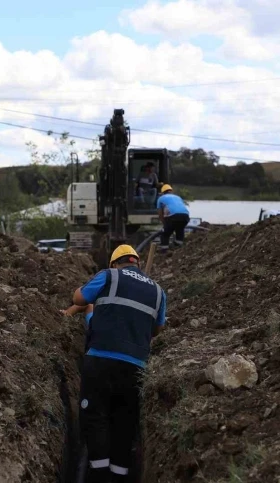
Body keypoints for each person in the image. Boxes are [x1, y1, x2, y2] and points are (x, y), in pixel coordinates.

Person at [69, 245, 166, 482]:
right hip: (135, 367)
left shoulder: (108, 276)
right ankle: (120, 477)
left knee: (95, 417)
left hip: (100, 360)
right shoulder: (158, 291)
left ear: (115, 263)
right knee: (124, 422)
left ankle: (98, 475)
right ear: (137, 263)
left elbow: (78, 298)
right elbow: (156, 329)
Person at [156, 184, 190, 251]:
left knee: (165, 234)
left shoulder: (161, 198)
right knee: (180, 230)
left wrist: (164, 224)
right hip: (185, 216)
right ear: (171, 191)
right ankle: (178, 247)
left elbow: (160, 214)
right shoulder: (178, 197)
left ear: (163, 192)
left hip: (173, 216)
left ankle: (164, 250)